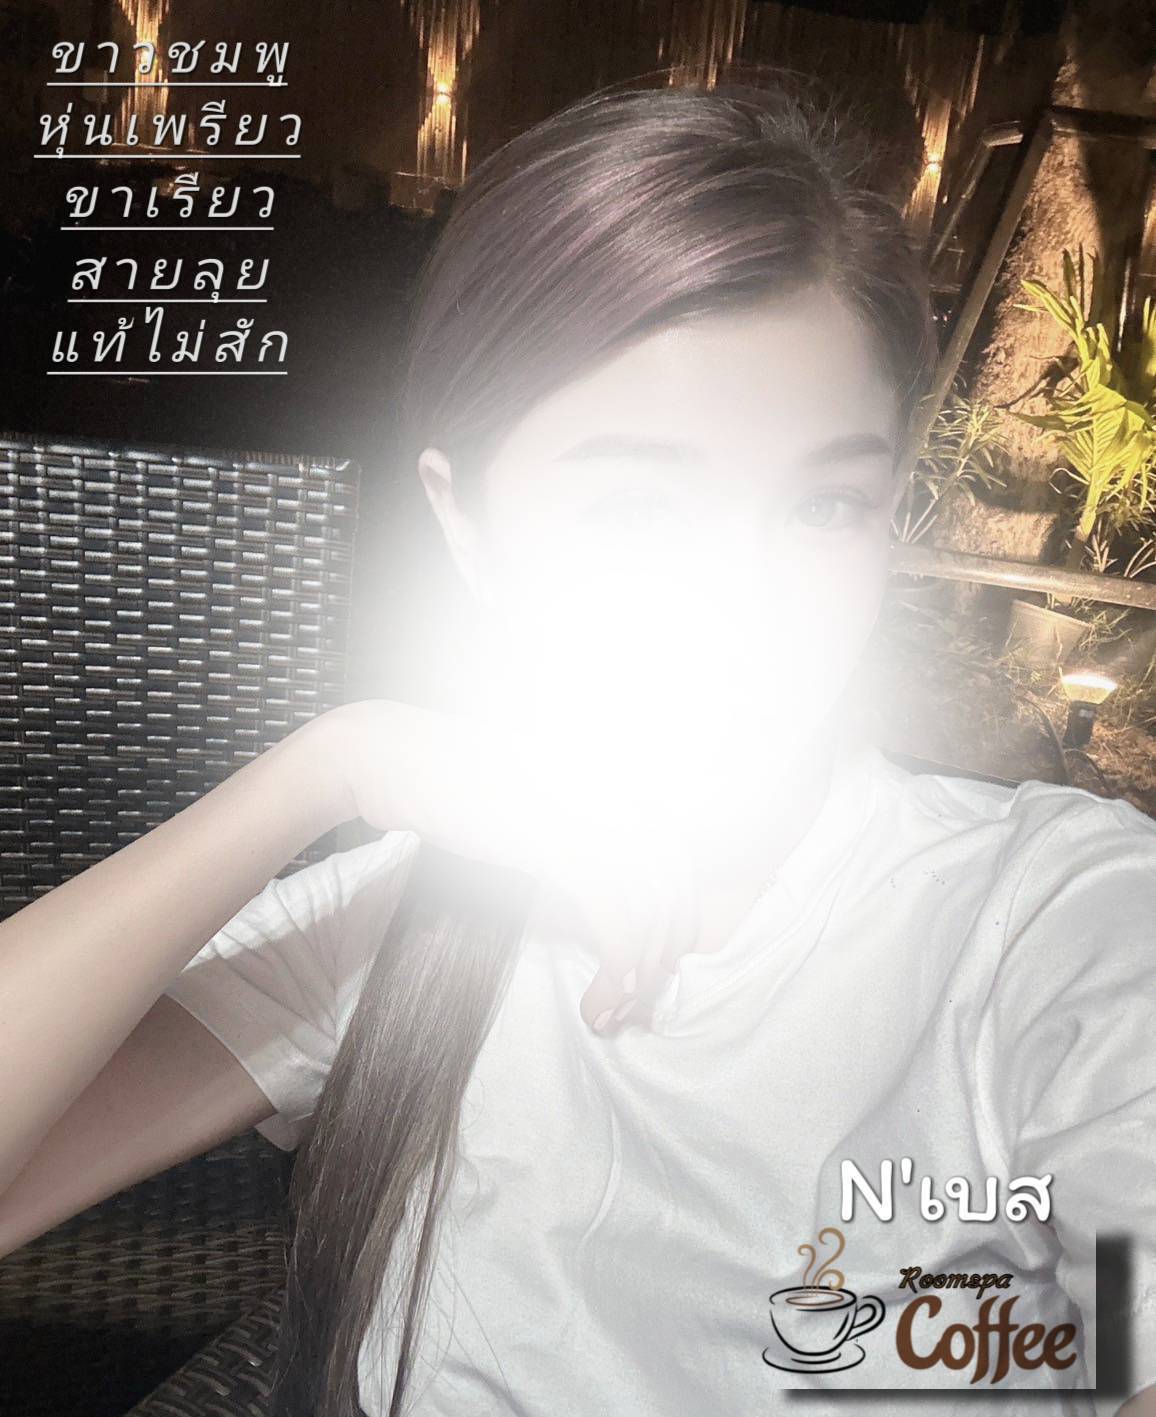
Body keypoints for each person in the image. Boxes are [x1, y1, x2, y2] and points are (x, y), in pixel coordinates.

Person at [0, 80, 1153, 1417]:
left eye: (825, 504)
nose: (745, 604)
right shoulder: (404, 921)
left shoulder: (1053, 924)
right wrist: (328, 767)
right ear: (469, 526)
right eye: (635, 508)